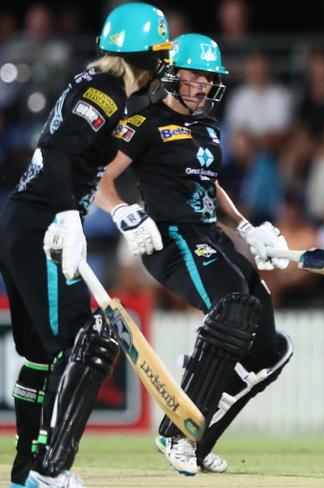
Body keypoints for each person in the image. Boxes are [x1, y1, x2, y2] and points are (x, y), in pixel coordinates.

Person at [95, 33, 293, 477]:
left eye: (210, 78)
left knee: (269, 350)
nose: (203, 86)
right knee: (231, 309)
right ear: (171, 74)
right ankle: (176, 433)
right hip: (170, 239)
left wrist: (245, 227)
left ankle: (198, 442)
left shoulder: (208, 126)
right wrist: (123, 213)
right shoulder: (143, 123)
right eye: (196, 76)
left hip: (210, 237)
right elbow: (101, 182)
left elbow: (208, 182)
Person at [0, 4, 171, 488]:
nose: (163, 66)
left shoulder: (100, 88)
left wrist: (113, 211)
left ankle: (26, 475)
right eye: (159, 55)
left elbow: (73, 159)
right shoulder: (104, 93)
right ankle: (49, 471)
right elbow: (56, 152)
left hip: (24, 221)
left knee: (43, 356)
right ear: (146, 57)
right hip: (41, 228)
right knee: (87, 339)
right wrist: (69, 219)